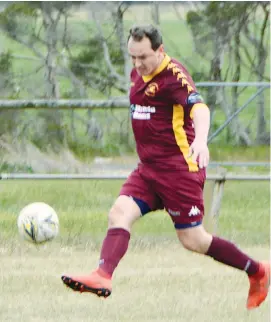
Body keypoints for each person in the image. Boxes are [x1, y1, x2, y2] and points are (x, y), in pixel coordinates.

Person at [61, 24, 270, 309]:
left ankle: (258, 270)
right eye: (132, 57)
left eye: (143, 57)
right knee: (119, 212)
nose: (137, 64)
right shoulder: (139, 72)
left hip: (179, 171)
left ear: (160, 50)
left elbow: (200, 108)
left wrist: (202, 140)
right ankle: (103, 275)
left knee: (193, 240)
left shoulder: (174, 76)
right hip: (148, 170)